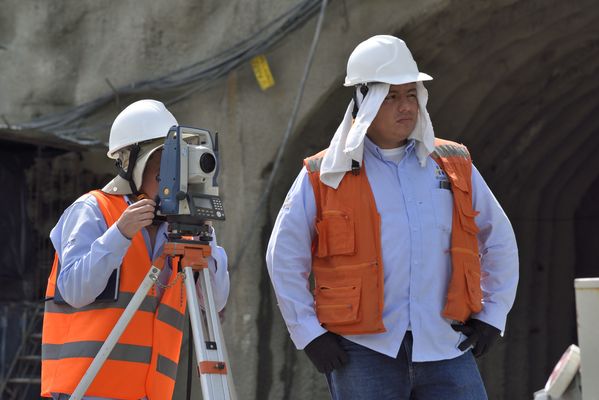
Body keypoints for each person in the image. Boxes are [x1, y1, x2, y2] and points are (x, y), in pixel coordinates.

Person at [266, 35, 518, 399]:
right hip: (364, 351)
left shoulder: (453, 164)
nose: (406, 107)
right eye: (392, 97)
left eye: (411, 95)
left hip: (445, 346)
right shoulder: (324, 174)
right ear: (363, 101)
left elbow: (500, 241)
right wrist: (309, 333)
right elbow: (284, 255)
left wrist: (493, 315)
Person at [41, 99, 230, 399]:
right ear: (131, 163)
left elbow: (215, 302)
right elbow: (74, 291)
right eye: (163, 162)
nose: (173, 175)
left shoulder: (182, 228)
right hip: (87, 390)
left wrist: (206, 239)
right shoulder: (93, 210)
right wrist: (120, 234)